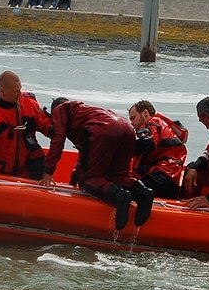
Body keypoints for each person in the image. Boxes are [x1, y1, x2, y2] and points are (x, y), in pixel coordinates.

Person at [44, 98, 154, 230]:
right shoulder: (88, 112)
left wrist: (48, 170)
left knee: (89, 181)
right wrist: (73, 183)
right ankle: (143, 192)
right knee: (116, 177)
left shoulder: (60, 109)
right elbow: (84, 157)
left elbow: (58, 139)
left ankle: (119, 197)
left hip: (104, 130)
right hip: (126, 129)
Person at [129, 100, 188, 200]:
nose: (131, 123)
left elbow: (147, 142)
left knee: (124, 191)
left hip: (162, 175)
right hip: (171, 178)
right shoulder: (164, 127)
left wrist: (121, 150)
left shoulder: (153, 122)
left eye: (133, 118)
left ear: (145, 113)